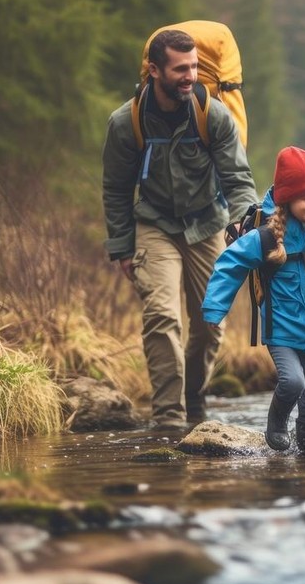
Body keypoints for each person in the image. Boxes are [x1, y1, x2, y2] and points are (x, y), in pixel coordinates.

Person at [101, 29, 257, 429]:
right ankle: (169, 416)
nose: (190, 76)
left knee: (210, 323)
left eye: (194, 67)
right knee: (161, 316)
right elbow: (116, 189)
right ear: (154, 70)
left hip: (208, 225)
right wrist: (121, 247)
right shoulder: (126, 122)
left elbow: (238, 180)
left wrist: (246, 221)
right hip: (154, 226)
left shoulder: (213, 114)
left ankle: (194, 397)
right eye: (180, 69)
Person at [203, 146, 305, 453]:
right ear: (287, 199)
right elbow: (230, 265)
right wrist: (215, 308)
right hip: (281, 331)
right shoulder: (265, 238)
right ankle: (276, 422)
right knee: (293, 382)